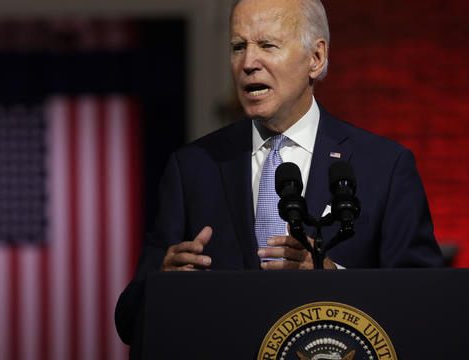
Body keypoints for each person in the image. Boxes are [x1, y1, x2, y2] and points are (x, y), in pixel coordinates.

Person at [115, 0, 443, 348]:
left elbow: (428, 306)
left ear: (315, 58)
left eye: (267, 45)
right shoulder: (193, 167)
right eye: (238, 47)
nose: (248, 63)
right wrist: (163, 286)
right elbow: (129, 320)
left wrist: (332, 279)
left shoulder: (385, 167)